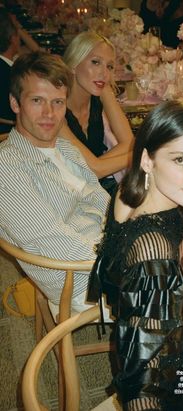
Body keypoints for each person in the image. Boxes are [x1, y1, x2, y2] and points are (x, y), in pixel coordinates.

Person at [87, 100, 183, 410]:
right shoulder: (154, 255)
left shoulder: (131, 194)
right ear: (147, 159)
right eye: (182, 159)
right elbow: (141, 383)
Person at [0, 51, 110, 315]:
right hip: (83, 280)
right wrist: (126, 262)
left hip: (103, 250)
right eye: (37, 100)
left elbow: (100, 198)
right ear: (15, 103)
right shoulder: (8, 169)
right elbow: (54, 242)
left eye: (58, 102)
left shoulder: (66, 149)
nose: (49, 113)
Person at [61, 31, 134, 195]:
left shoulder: (101, 91)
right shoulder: (55, 107)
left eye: (109, 66)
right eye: (95, 62)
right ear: (73, 64)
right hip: (67, 195)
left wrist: (95, 166)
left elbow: (128, 142)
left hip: (96, 187)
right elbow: (95, 170)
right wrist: (139, 156)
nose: (104, 73)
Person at [0, 8, 40, 135]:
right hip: (12, 133)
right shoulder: (16, 76)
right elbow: (41, 56)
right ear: (13, 38)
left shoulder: (8, 64)